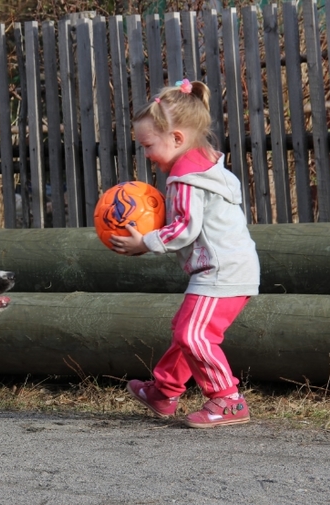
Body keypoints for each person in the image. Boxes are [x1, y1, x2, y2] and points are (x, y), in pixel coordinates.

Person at [110, 78, 260, 428]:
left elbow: (185, 228)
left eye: (148, 145)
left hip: (222, 271)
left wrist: (143, 242)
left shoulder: (186, 178)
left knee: (194, 335)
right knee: (184, 329)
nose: (145, 154)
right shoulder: (205, 167)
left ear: (177, 139)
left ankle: (227, 400)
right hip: (226, 268)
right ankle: (164, 393)